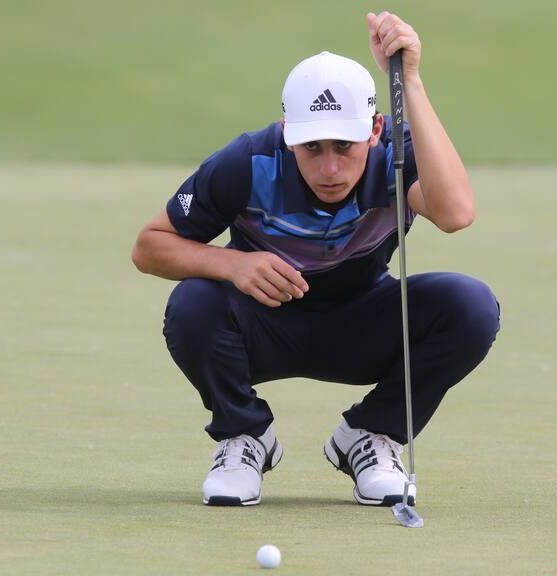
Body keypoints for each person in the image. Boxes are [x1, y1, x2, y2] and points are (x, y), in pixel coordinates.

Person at [131, 12, 500, 507]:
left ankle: (371, 435)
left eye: (344, 146)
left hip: (362, 322)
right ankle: (245, 438)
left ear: (373, 129)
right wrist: (232, 265)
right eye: (311, 147)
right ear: (287, 132)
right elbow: (149, 246)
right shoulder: (247, 163)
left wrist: (409, 80)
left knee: (469, 306)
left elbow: (456, 214)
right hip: (263, 325)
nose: (329, 168)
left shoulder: (397, 153)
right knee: (193, 303)